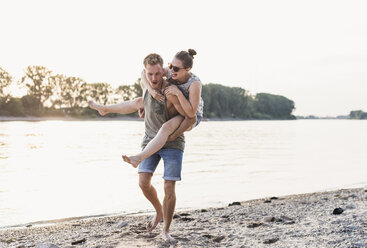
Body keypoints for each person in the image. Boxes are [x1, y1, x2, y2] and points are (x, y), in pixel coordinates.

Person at [89, 53, 184, 244]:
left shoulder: (171, 89)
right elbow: (142, 83)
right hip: (150, 140)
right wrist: (148, 88)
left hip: (173, 143)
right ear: (145, 72)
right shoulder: (146, 83)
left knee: (169, 185)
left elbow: (185, 115)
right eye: (150, 74)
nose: (154, 78)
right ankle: (159, 211)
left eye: (158, 74)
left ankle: (165, 231)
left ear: (163, 71)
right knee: (143, 182)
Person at [121, 49, 203, 167]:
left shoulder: (194, 83)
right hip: (177, 107)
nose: (171, 70)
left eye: (176, 68)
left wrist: (179, 94)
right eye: (170, 65)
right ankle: (105, 109)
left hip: (191, 114)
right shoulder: (170, 71)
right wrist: (150, 91)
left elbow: (191, 114)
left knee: (166, 128)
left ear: (188, 69)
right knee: (139, 102)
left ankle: (139, 158)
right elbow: (144, 73)